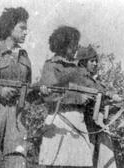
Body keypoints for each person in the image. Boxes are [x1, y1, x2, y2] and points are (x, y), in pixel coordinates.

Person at [38, 26, 93, 167]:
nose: (77, 47)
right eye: (74, 43)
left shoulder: (79, 69)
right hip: (59, 119)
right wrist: (78, 98)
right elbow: (50, 95)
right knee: (56, 162)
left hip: (78, 120)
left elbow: (93, 88)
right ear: (64, 45)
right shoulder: (51, 66)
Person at [0, 7, 31, 168]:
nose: (26, 33)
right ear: (9, 27)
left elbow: (28, 89)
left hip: (16, 116)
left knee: (16, 162)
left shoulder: (24, 57)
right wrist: (0, 91)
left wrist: (42, 93)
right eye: (22, 28)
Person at [75, 45, 118, 168]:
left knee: (104, 159)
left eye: (96, 61)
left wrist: (122, 106)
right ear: (83, 62)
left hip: (96, 124)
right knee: (86, 160)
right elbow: (94, 93)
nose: (95, 64)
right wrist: (109, 95)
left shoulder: (97, 82)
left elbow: (104, 102)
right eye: (92, 61)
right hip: (83, 125)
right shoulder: (79, 78)